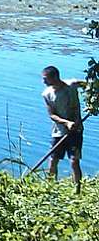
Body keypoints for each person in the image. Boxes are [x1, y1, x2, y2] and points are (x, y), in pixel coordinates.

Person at [41, 65, 85, 193]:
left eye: (45, 78)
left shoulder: (72, 85)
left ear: (55, 77)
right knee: (53, 159)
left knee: (74, 161)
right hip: (58, 132)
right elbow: (52, 115)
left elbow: (90, 86)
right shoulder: (47, 94)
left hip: (76, 131)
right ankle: (50, 188)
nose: (43, 82)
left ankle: (77, 191)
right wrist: (66, 123)